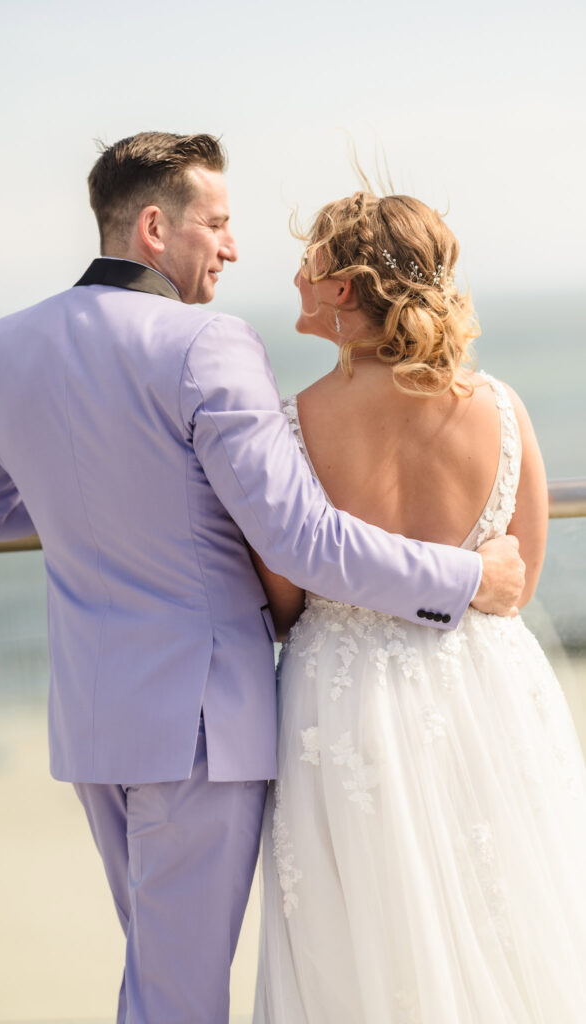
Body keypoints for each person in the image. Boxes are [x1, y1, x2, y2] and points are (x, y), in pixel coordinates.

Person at [0, 133, 524, 1024]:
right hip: (199, 725)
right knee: (175, 997)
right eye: (216, 223)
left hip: (94, 717)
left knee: (157, 974)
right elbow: (296, 539)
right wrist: (462, 576)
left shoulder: (0, 344)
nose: (232, 246)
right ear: (151, 227)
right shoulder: (208, 342)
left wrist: (97, 505)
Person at [252, 189, 586, 1022]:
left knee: (364, 942)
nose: (294, 274)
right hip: (484, 687)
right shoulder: (499, 409)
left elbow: (282, 602)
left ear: (343, 287)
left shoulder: (289, 428)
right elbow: (518, 585)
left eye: (310, 259)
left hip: (342, 706)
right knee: (502, 915)